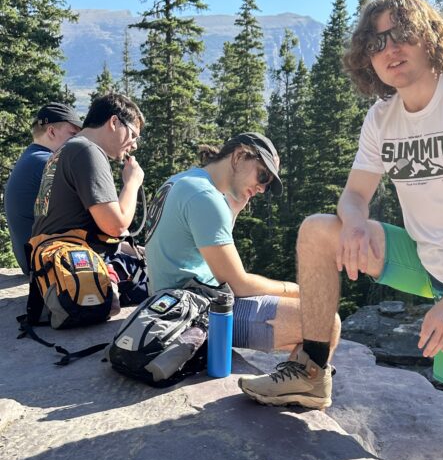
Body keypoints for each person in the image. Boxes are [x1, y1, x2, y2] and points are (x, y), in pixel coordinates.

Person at [239, 0, 443, 460]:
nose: (389, 49)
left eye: (401, 35)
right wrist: (356, 220)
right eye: (377, 42)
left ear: (431, 38)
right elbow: (353, 193)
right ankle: (311, 367)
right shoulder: (383, 118)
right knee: (319, 230)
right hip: (421, 255)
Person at [145, 132, 340, 355]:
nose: (262, 188)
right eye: (263, 176)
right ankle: (299, 384)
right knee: (326, 323)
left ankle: (294, 380)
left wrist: (233, 212)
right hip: (194, 315)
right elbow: (238, 284)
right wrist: (293, 289)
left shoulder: (181, 181)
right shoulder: (205, 196)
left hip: (167, 304)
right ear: (238, 156)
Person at [32, 92, 145, 256]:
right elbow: (115, 226)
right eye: (133, 135)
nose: (134, 145)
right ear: (114, 122)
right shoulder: (87, 151)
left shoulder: (66, 150)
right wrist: (132, 183)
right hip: (75, 266)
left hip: (54, 260)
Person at [4, 102, 82, 273]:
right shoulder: (45, 164)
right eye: (73, 134)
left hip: (35, 260)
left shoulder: (32, 158)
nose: (78, 140)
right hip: (46, 264)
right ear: (51, 131)